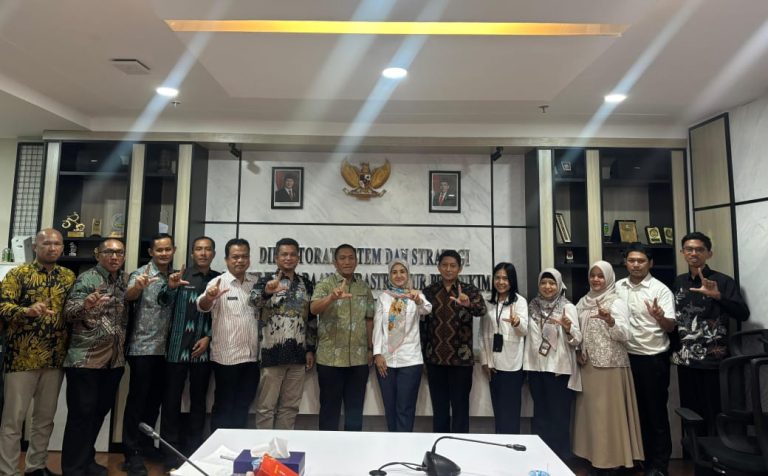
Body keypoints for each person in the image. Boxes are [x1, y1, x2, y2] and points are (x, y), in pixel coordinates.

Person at [0, 228, 75, 476]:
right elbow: (2, 306)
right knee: (13, 421)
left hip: (55, 358)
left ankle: (35, 467)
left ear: (62, 247)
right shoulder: (18, 274)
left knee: (44, 420)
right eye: (46, 243)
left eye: (57, 244)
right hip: (21, 358)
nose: (52, 248)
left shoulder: (68, 277)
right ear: (35, 247)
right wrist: (27, 311)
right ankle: (8, 471)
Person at [671, 232, 750, 436]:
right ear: (682, 252)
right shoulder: (679, 282)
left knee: (715, 413)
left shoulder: (723, 281)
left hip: (714, 361)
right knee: (691, 415)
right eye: (689, 249)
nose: (694, 253)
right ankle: (694, 454)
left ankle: (715, 453)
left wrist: (718, 296)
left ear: (709, 253)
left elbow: (742, 314)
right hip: (686, 360)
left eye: (699, 249)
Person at [61, 238, 128, 476]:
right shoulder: (87, 278)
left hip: (113, 360)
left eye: (119, 252)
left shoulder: (122, 280)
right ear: (98, 254)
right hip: (86, 361)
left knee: (98, 414)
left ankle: (86, 461)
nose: (114, 256)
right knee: (81, 416)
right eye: (109, 251)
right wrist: (86, 304)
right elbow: (68, 313)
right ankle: (73, 469)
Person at [573, 261, 643, 472]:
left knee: (609, 418)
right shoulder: (583, 302)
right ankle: (594, 458)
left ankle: (612, 462)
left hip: (611, 366)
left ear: (609, 278)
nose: (596, 279)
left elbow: (626, 334)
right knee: (592, 417)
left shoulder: (616, 301)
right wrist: (577, 351)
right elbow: (577, 332)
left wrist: (611, 320)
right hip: (588, 367)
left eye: (600, 276)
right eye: (592, 275)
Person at [158, 236, 220, 470]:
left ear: (213, 254)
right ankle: (169, 454)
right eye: (198, 249)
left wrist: (209, 337)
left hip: (203, 349)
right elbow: (163, 302)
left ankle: (195, 451)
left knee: (199, 402)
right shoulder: (179, 276)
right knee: (171, 402)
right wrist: (170, 288)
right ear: (192, 253)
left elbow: (221, 315)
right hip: (176, 348)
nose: (203, 253)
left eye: (207, 249)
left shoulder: (219, 279)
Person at [616, 243, 675, 476]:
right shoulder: (618, 287)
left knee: (655, 413)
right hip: (626, 358)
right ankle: (637, 460)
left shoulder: (660, 290)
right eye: (631, 260)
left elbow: (670, 327)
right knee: (632, 412)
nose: (636, 265)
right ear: (625, 263)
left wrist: (660, 317)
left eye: (641, 261)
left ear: (650, 263)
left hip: (652, 359)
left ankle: (658, 465)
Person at [122, 233, 175, 476]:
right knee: (138, 402)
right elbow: (129, 296)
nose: (164, 253)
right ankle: (131, 453)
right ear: (151, 252)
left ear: (173, 250)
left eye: (168, 249)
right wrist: (137, 288)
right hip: (142, 348)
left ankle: (144, 445)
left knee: (155, 402)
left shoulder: (173, 276)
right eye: (159, 250)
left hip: (166, 350)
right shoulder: (141, 274)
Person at [250, 238, 317, 429]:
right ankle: (265, 447)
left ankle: (282, 444)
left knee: (290, 407)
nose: (288, 258)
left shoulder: (306, 283)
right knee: (266, 407)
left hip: (298, 355)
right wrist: (267, 292)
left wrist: (310, 349)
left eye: (292, 254)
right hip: (272, 355)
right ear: (276, 258)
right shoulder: (265, 281)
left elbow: (311, 319)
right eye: (284, 254)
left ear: (298, 258)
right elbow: (253, 302)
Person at [310, 244, 375, 431]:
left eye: (351, 258)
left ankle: (353, 447)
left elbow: (369, 319)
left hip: (358, 359)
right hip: (330, 360)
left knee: (355, 411)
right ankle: (327, 447)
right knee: (329, 410)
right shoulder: (325, 284)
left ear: (356, 261)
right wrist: (331, 298)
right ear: (335, 262)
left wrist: (370, 348)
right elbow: (313, 309)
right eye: (342, 258)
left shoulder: (363, 287)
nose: (347, 262)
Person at [197, 238, 260, 430]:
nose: (240, 260)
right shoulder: (217, 283)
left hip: (251, 357)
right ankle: (219, 445)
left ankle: (238, 444)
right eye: (235, 257)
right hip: (226, 359)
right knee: (224, 406)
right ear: (226, 259)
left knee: (243, 406)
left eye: (244, 256)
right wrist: (209, 297)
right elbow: (202, 305)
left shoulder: (256, 283)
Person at [421, 250, 487, 433]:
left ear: (460, 268)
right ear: (438, 267)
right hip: (435, 361)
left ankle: (459, 447)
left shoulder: (469, 290)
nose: (448, 269)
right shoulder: (429, 291)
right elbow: (423, 325)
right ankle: (440, 446)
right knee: (439, 410)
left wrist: (468, 304)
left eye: (453, 266)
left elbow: (482, 310)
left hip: (461, 362)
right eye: (445, 265)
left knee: (460, 409)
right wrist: (423, 356)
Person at [523, 268, 581, 461]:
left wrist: (568, 328)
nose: (547, 287)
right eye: (543, 282)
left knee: (559, 417)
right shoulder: (532, 306)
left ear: (559, 285)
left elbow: (577, 339)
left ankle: (561, 459)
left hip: (558, 370)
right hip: (536, 369)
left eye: (552, 283)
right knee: (540, 416)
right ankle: (541, 457)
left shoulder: (567, 307)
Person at [372, 259, 432, 432]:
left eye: (402, 271)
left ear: (408, 274)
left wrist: (418, 300)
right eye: (394, 272)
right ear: (390, 275)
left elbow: (427, 309)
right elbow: (377, 327)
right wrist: (377, 354)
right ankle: (392, 443)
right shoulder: (384, 297)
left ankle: (405, 444)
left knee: (405, 408)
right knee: (390, 408)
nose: (398, 275)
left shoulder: (416, 295)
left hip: (410, 360)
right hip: (386, 361)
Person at [479, 262, 528, 434]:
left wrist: (517, 322)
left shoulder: (519, 301)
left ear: (512, 281)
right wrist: (485, 360)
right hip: (493, 364)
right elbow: (482, 333)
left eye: (505, 278)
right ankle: (500, 442)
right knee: (498, 411)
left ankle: (512, 443)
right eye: (498, 278)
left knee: (511, 412)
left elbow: (524, 331)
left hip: (512, 364)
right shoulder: (488, 301)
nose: (501, 282)